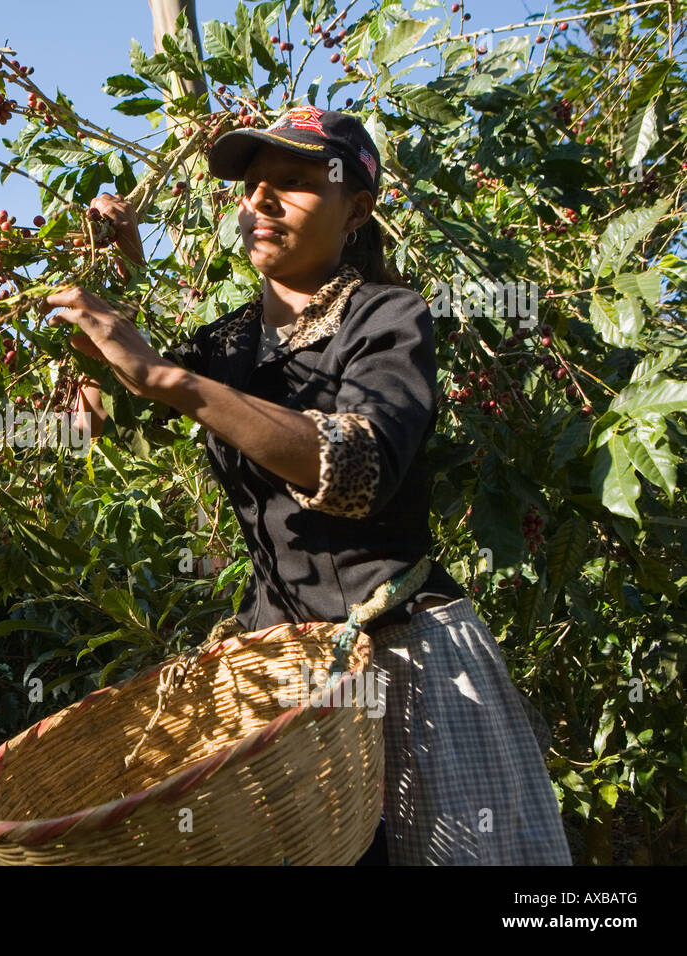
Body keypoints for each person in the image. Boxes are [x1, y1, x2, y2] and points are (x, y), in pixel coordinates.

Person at [38, 105, 571, 866]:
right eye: (253, 186)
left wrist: (164, 375)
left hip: (402, 661)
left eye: (294, 182)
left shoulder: (392, 319)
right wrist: (107, 285)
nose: (262, 201)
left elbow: (359, 470)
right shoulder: (225, 343)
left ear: (357, 208)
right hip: (282, 664)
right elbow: (83, 426)